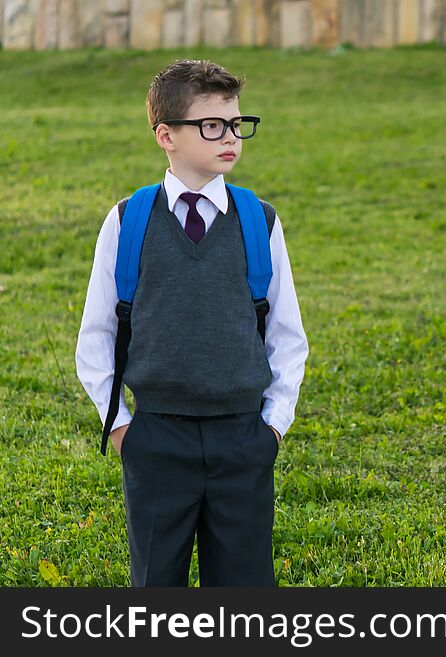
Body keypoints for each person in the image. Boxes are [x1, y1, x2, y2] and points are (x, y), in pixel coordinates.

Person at [74, 59, 309, 587]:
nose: (230, 137)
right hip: (157, 437)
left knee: (245, 586)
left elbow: (286, 336)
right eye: (211, 126)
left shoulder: (259, 220)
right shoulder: (127, 220)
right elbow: (97, 335)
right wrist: (120, 428)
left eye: (236, 124)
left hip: (243, 437)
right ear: (166, 135)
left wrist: (273, 426)